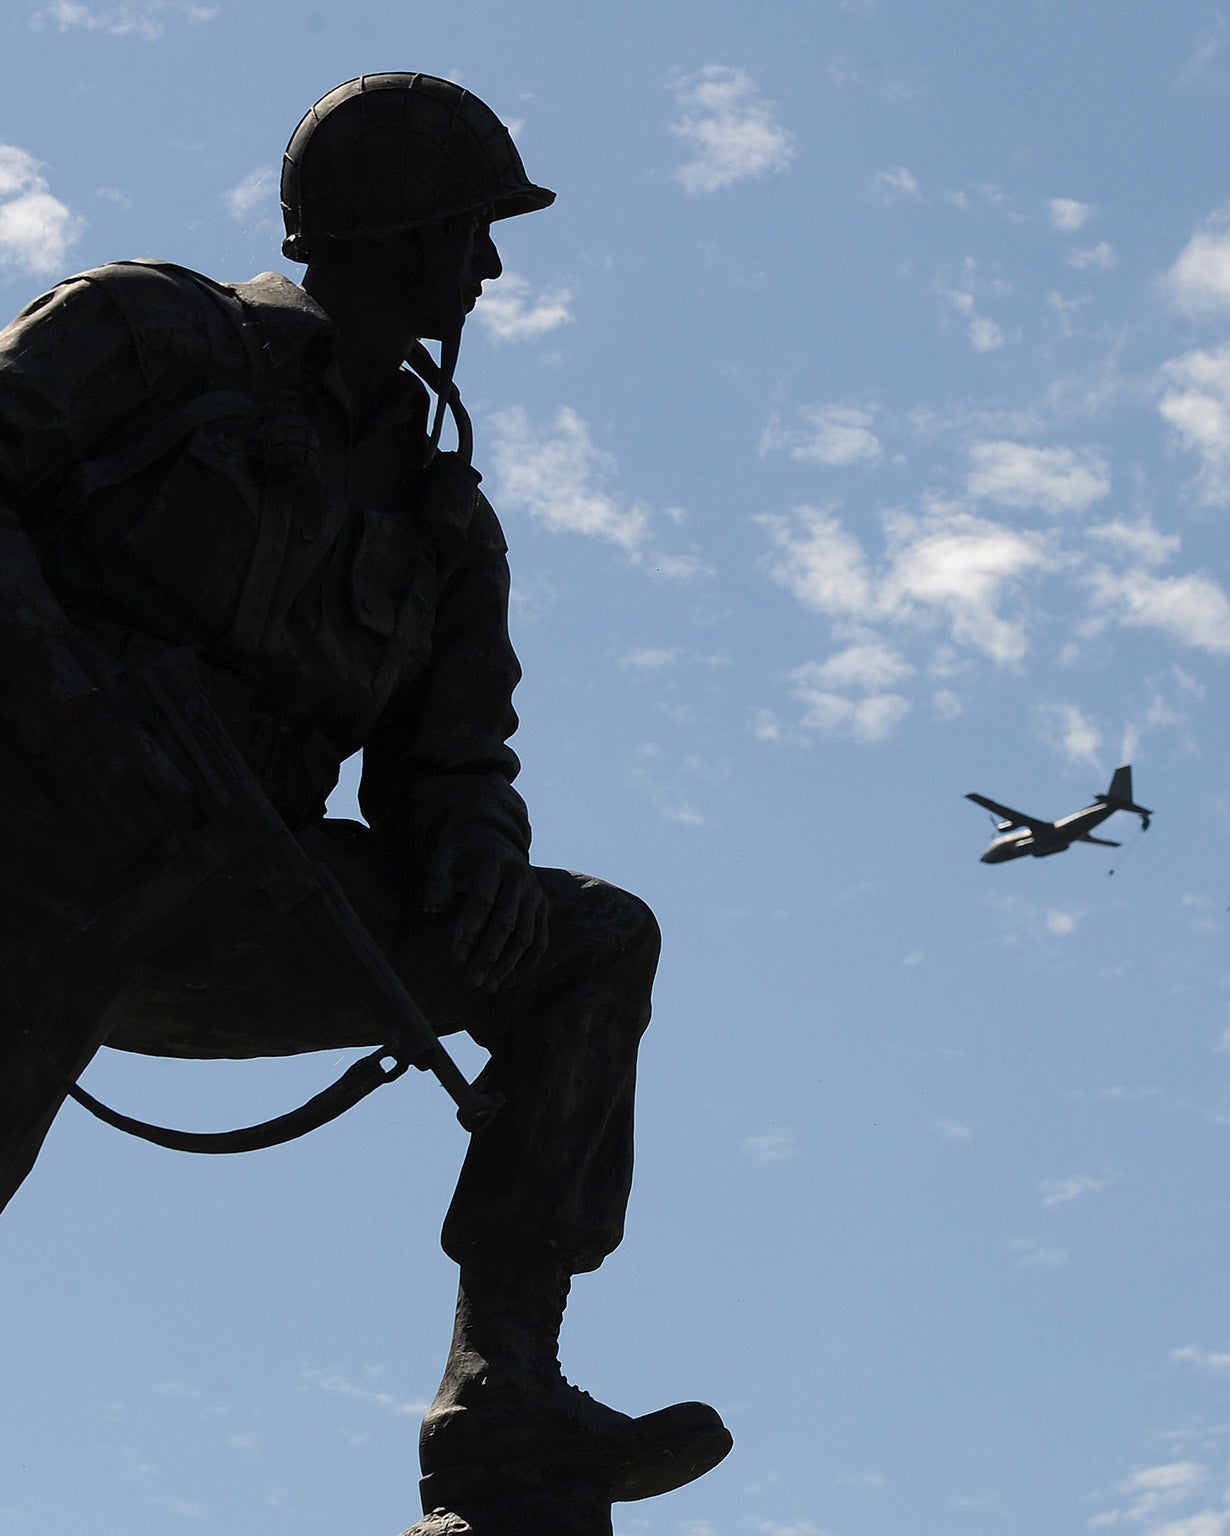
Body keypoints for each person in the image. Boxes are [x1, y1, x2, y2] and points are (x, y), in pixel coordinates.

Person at [0, 73, 729, 1507]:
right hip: (33, 842)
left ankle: (502, 1396)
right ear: (392, 231)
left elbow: (455, 760)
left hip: (238, 890)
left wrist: (472, 854)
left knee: (589, 938)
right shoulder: (149, 332)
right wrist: (75, 726)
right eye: (471, 230)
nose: (492, 269)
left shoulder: (439, 516)